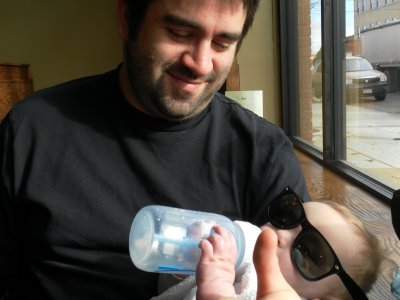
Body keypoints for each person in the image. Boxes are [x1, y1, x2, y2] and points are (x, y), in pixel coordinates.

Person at [0, 0, 311, 299]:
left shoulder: (264, 154)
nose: (200, 63)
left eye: (222, 43)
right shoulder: (32, 130)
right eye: (179, 33)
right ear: (126, 17)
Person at [155, 198, 382, 300]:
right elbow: (171, 291)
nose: (280, 234)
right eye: (289, 218)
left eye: (308, 252)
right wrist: (188, 260)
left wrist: (217, 290)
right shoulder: (237, 256)